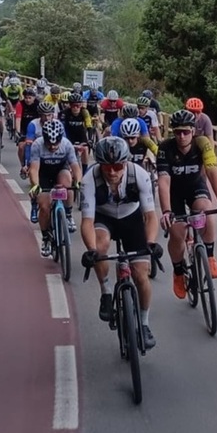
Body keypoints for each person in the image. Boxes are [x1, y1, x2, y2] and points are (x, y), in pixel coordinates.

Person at [80, 137, 162, 348]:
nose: (112, 172)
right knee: (100, 245)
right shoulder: (90, 179)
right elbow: (87, 222)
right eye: (107, 166)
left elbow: (151, 216)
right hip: (104, 218)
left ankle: (143, 324)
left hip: (131, 218)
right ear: (100, 164)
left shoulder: (140, 175)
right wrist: (91, 250)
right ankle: (106, 292)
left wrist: (151, 243)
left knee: (141, 274)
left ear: (125, 163)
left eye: (117, 166)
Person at [156, 110, 217, 296]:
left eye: (186, 132)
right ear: (173, 132)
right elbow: (164, 181)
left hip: (195, 187)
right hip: (175, 192)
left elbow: (213, 172)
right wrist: (166, 211)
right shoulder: (165, 147)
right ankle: (179, 272)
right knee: (177, 232)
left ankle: (210, 255)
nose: (182, 136)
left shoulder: (202, 143)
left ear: (193, 131)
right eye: (178, 132)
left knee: (205, 211)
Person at [28, 119, 82, 256]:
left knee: (67, 184)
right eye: (49, 144)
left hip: (60, 169)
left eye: (55, 144)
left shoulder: (67, 145)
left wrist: (79, 182)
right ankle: (46, 238)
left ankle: (68, 215)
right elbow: (34, 169)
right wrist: (36, 185)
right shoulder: (37, 145)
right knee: (45, 206)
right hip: (43, 173)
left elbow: (75, 166)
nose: (52, 147)